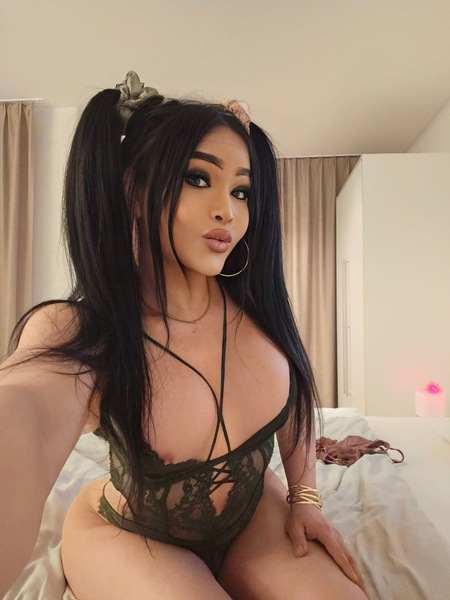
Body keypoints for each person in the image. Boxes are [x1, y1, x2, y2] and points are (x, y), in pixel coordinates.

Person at [0, 72, 367, 599]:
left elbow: (296, 410)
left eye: (241, 191)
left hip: (251, 512)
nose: (228, 211)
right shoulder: (84, 330)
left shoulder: (257, 310)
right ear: (133, 188)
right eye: (198, 178)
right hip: (130, 532)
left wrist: (304, 497)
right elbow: (24, 415)